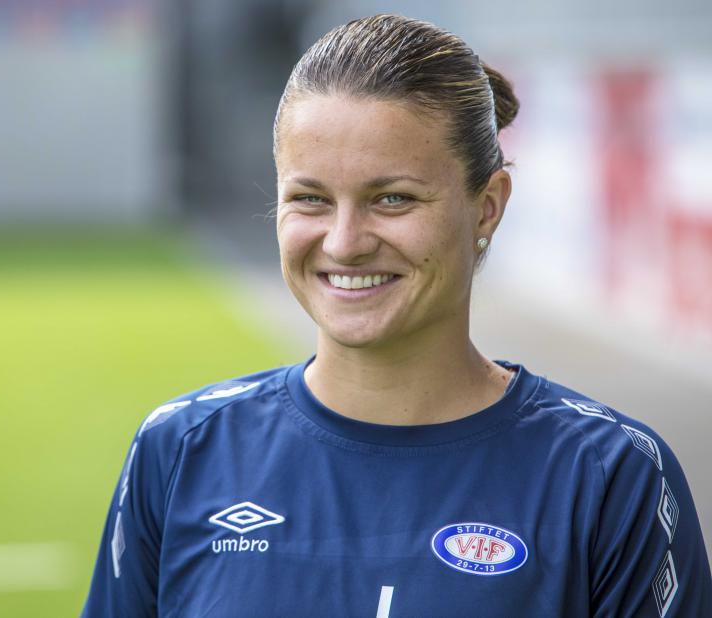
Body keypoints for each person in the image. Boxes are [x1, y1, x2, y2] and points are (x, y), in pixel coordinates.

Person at [80, 14, 712, 617]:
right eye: (310, 198)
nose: (344, 243)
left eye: (392, 198)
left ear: (488, 206)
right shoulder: (181, 449)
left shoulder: (609, 475)